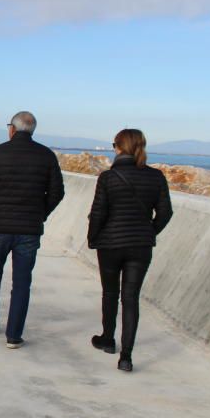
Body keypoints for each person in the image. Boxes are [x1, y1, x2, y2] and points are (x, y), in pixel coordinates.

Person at [0, 111, 64, 348]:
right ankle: (14, 335)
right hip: (29, 230)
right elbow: (57, 192)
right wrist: (40, 213)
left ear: (12, 129)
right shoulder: (46, 156)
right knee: (22, 281)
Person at [87, 129, 172, 372]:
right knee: (131, 298)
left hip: (110, 245)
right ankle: (126, 357)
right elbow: (165, 213)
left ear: (119, 147)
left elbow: (98, 214)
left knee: (110, 293)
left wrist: (93, 238)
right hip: (140, 246)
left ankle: (107, 339)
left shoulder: (108, 177)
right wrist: (149, 232)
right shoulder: (156, 177)